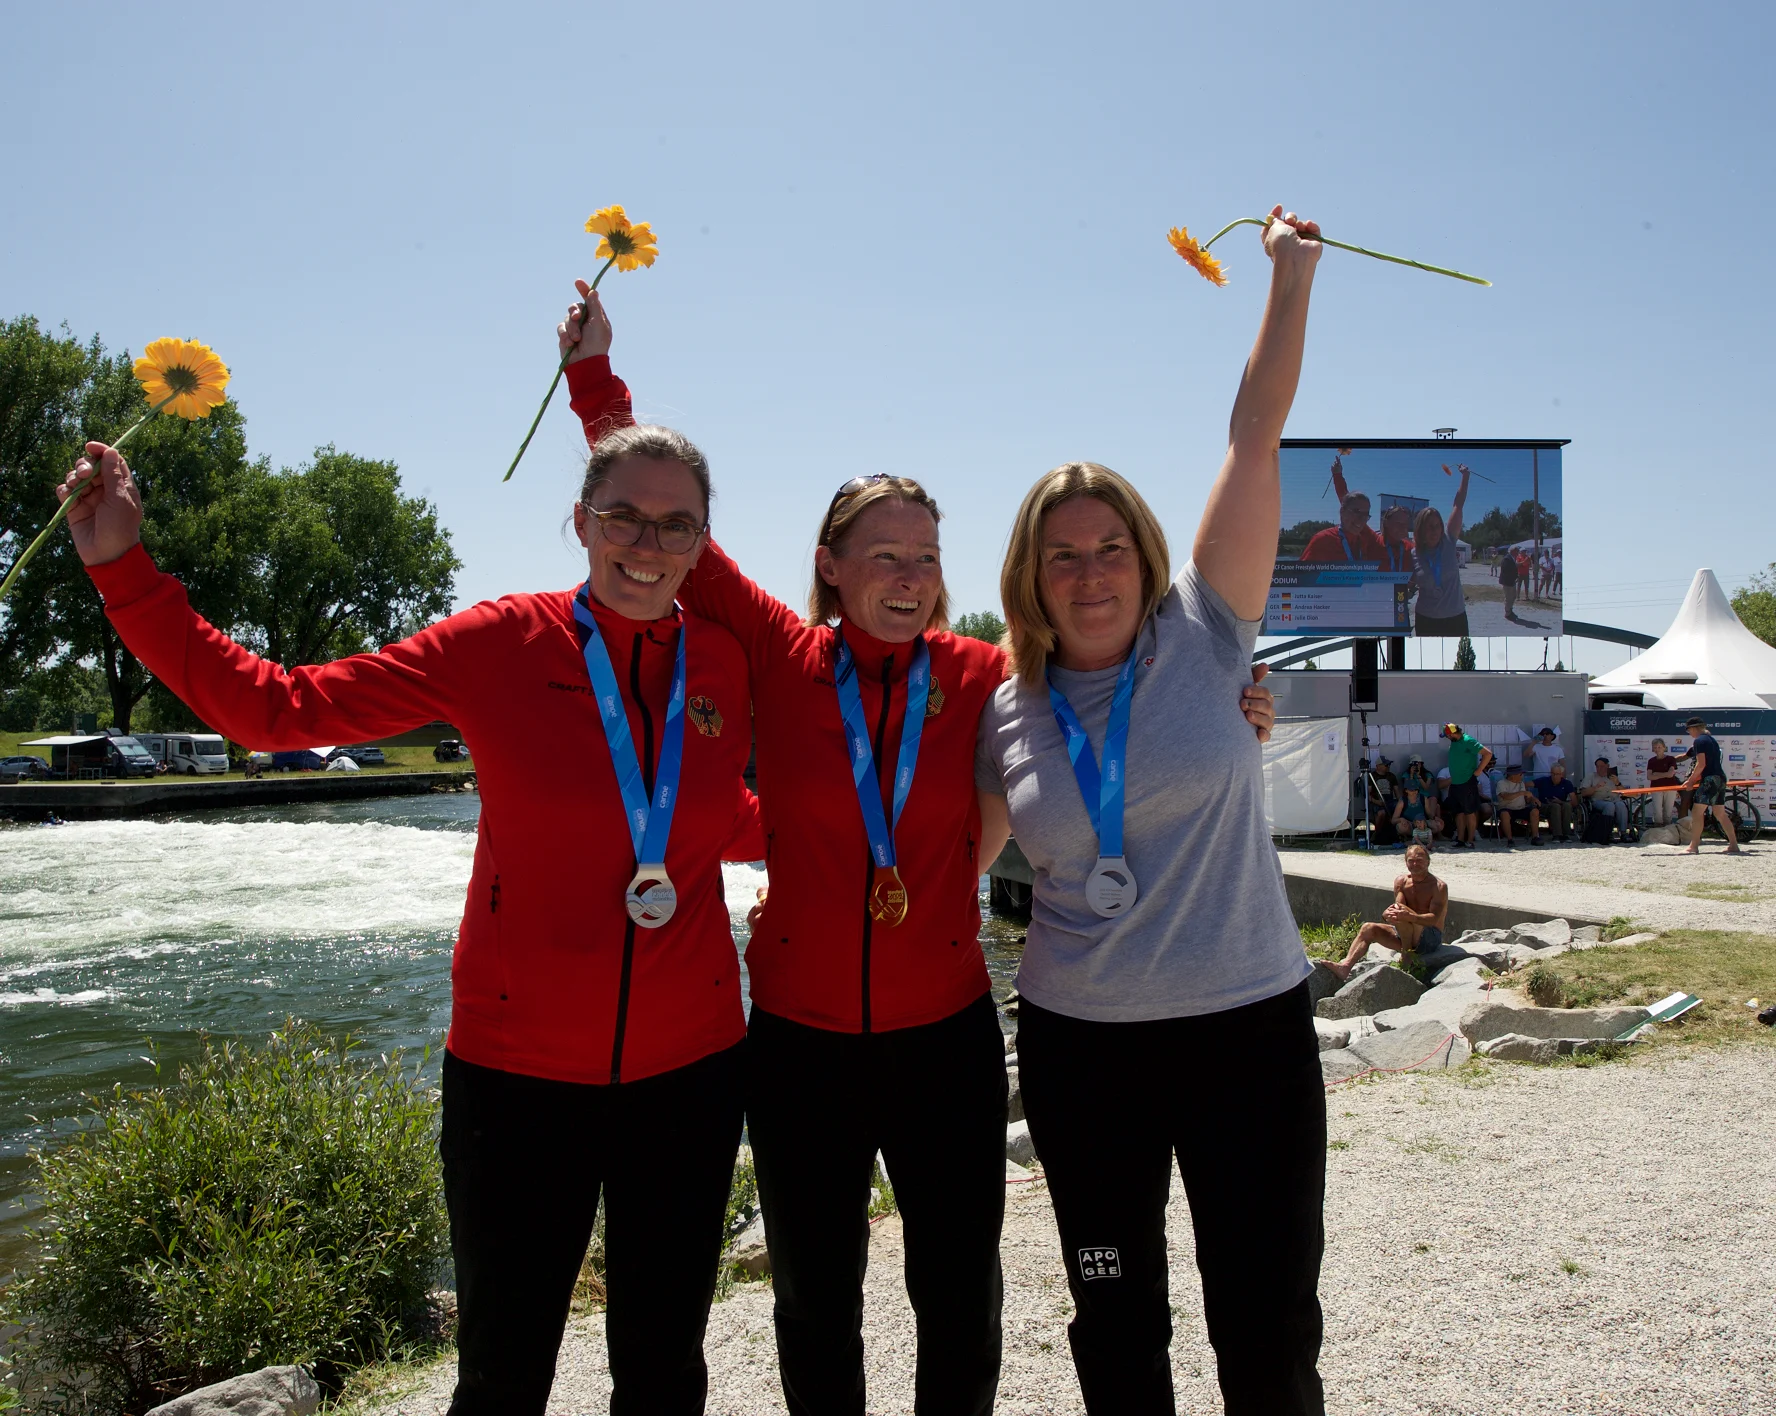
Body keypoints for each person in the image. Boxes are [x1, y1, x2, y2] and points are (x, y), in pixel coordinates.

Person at [556, 280, 1284, 1415]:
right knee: (815, 1298)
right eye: (884, 556)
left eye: (927, 558)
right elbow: (662, 526)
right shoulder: (781, 655)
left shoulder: (988, 678)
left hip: (946, 1040)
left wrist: (1239, 688)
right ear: (832, 566)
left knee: (958, 1294)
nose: (909, 577)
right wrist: (596, 379)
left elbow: (1111, 687)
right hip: (797, 1045)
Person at [55, 428, 763, 1414]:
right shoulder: (499, 645)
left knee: (664, 1368)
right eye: (624, 516)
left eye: (674, 523)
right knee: (504, 1377)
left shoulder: (725, 665)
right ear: (581, 522)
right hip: (517, 1089)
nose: (647, 543)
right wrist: (121, 569)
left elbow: (717, 814)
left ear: (702, 541)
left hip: (691, 1077)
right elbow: (276, 710)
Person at [976, 209, 1327, 1413]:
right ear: (1030, 573)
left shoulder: (1207, 629)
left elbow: (1256, 432)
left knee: (1266, 1320)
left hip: (1249, 1037)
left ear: (1147, 554)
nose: (1090, 572)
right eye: (1062, 553)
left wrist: (1287, 280)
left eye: (1110, 547)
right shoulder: (1004, 707)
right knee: (1116, 1319)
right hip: (1084, 1058)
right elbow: (944, 854)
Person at [1325, 843, 1447, 979]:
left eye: (1419, 860)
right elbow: (1397, 910)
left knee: (1400, 912)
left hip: (1429, 939)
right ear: (1406, 863)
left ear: (1428, 862)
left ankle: (1406, 954)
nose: (1415, 864)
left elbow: (1433, 919)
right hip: (1405, 934)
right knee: (1368, 928)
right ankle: (1345, 967)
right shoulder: (1401, 882)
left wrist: (1410, 916)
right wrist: (1385, 915)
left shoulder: (1438, 886)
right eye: (1411, 861)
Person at [1410, 466, 1471, 635]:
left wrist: (1465, 476)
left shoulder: (1449, 540)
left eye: (1437, 525)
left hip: (1455, 618)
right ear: (1420, 529)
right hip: (1426, 619)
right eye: (1429, 526)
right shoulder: (1413, 553)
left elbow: (1458, 504)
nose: (1435, 530)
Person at [1672, 717, 1742, 855]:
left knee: (1698, 812)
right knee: (1720, 813)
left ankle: (1693, 846)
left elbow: (1701, 764)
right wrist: (1693, 779)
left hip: (1710, 779)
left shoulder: (1699, 741)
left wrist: (1691, 781)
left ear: (1693, 728)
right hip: (1720, 778)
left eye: (1689, 730)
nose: (1689, 733)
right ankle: (1733, 844)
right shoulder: (1711, 740)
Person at [1440, 722, 1493, 847]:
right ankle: (1461, 839)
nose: (1447, 738)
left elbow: (1488, 753)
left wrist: (1479, 771)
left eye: (1447, 735)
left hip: (1467, 781)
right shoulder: (1454, 742)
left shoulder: (1468, 741)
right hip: (1455, 782)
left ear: (1453, 733)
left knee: (1470, 811)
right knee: (1458, 812)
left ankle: (1470, 840)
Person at [1299, 491, 1384, 564]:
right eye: (1356, 512)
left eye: (1365, 514)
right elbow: (1299, 578)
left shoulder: (1366, 542)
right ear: (1342, 511)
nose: (1361, 519)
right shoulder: (1323, 540)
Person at [1578, 756, 1627, 842]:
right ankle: (1607, 832)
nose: (1599, 768)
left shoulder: (1613, 776)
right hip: (1598, 801)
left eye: (1602, 766)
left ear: (1607, 766)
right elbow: (1583, 793)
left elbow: (1624, 793)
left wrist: (1617, 783)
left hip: (1614, 799)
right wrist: (1596, 787)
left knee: (1621, 805)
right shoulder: (1591, 776)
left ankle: (1623, 833)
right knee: (1610, 806)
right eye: (1597, 766)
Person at [1495, 763, 1542, 846]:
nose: (1522, 776)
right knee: (1504, 814)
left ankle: (1535, 837)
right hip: (1507, 808)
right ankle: (1510, 840)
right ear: (1513, 775)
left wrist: (1532, 798)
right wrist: (1521, 793)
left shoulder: (1521, 783)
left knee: (1534, 811)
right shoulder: (1501, 783)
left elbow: (1526, 798)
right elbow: (1505, 796)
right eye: (1520, 774)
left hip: (1521, 808)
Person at [1535, 759, 1578, 841]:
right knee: (1555, 806)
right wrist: (1530, 796)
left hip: (1560, 804)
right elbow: (1527, 784)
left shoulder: (1567, 783)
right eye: (1553, 774)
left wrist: (1561, 802)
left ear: (1561, 774)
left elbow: (1574, 802)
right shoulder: (1544, 781)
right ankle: (1557, 835)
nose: (1555, 776)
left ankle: (1566, 834)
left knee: (1566, 805)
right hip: (1545, 805)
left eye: (1557, 774)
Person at [1391, 782, 1438, 852]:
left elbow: (1429, 814)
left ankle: (1425, 838)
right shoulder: (1402, 801)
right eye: (1411, 790)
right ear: (1406, 790)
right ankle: (1411, 838)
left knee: (1438, 825)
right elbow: (1393, 820)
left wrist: (1435, 818)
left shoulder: (1423, 798)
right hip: (1410, 824)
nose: (1414, 792)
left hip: (1422, 824)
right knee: (1400, 827)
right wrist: (1401, 819)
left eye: (1416, 790)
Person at [1646, 737, 1681, 826]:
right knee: (1657, 812)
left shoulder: (1671, 759)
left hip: (1670, 787)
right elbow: (1649, 776)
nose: (1657, 749)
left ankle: (1668, 832)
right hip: (1656, 788)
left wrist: (1657, 774)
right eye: (1655, 747)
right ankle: (1658, 831)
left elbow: (1670, 774)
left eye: (1659, 747)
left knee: (1668, 813)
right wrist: (1664, 774)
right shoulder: (1651, 761)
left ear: (1664, 747)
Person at [1497, 539, 1520, 620]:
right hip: (1508, 582)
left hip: (1512, 581)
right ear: (1512, 551)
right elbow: (1506, 570)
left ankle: (1510, 609)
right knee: (1508, 598)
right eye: (1517, 551)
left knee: (1513, 597)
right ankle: (1508, 613)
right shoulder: (1507, 559)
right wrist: (1514, 574)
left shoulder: (1512, 558)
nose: (1518, 552)